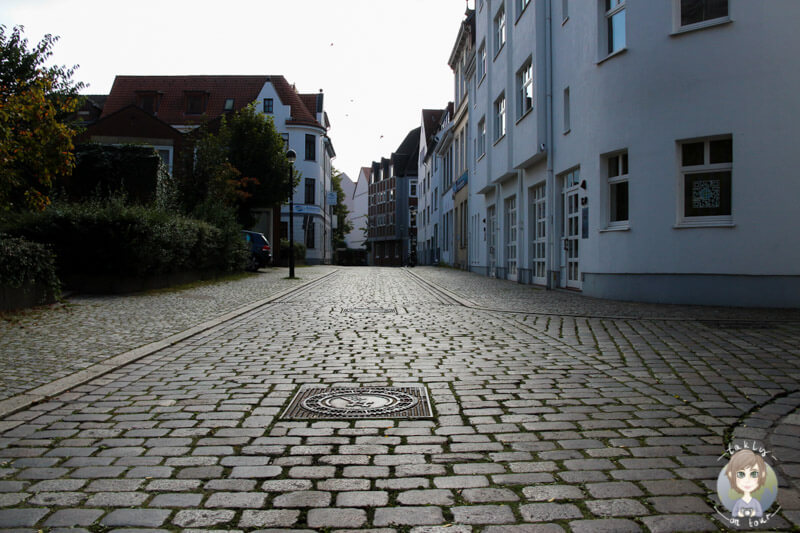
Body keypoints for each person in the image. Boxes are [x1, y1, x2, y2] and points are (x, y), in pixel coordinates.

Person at [726, 449, 767, 517]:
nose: (747, 480)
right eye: (741, 474)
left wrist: (754, 513)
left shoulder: (755, 502)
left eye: (754, 474)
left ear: (762, 475)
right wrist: (739, 514)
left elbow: (759, 513)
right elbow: (734, 513)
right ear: (731, 475)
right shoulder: (739, 502)